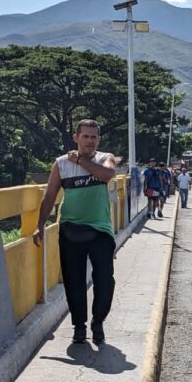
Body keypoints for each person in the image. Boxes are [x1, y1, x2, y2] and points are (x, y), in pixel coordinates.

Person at [32, 119, 116, 345]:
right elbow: (49, 196)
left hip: (100, 229)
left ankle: (98, 322)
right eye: (86, 136)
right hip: (70, 228)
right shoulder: (61, 164)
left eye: (94, 137)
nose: (90, 140)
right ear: (76, 138)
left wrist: (80, 160)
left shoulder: (104, 158)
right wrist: (39, 225)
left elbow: (106, 175)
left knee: (105, 280)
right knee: (74, 281)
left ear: (98, 139)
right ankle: (79, 326)